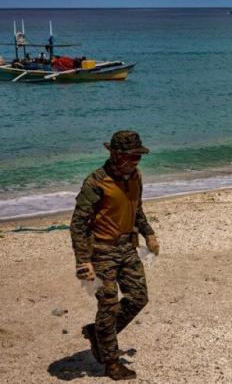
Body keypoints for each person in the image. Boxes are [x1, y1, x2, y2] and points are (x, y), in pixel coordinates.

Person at [70, 130, 160, 381]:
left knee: (139, 298)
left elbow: (137, 209)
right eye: (131, 157)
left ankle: (98, 334)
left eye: (138, 157)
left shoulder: (135, 177)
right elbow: (78, 224)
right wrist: (83, 261)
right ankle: (111, 363)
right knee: (108, 306)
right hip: (101, 252)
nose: (135, 161)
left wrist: (149, 234)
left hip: (127, 249)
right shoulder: (96, 182)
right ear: (116, 155)